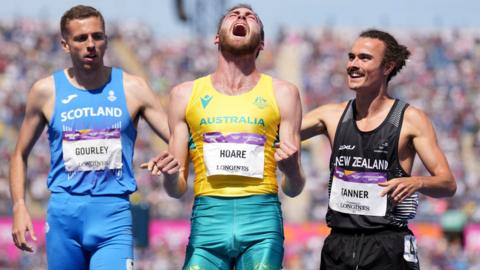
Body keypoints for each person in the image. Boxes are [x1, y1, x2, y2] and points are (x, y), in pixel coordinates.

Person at [9, 5, 177, 270]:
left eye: (97, 36)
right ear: (65, 45)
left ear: (106, 40)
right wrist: (19, 206)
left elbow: (176, 137)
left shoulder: (133, 88)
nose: (91, 44)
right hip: (64, 216)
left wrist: (171, 158)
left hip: (113, 216)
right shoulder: (45, 91)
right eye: (81, 38)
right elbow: (19, 154)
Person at [144, 4, 305, 269]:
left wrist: (293, 171)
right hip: (208, 222)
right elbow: (176, 189)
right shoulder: (184, 95)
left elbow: (294, 187)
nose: (242, 16)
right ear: (216, 37)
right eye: (234, 15)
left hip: (261, 222)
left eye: (250, 16)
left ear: (261, 43)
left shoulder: (284, 93)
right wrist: (171, 176)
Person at [301, 29, 457, 269]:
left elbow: (447, 184)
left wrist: (417, 182)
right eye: (351, 57)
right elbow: (277, 133)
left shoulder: (410, 120)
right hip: (338, 246)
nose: (353, 64)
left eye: (364, 58)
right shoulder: (330, 116)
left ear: (387, 67)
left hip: (388, 246)